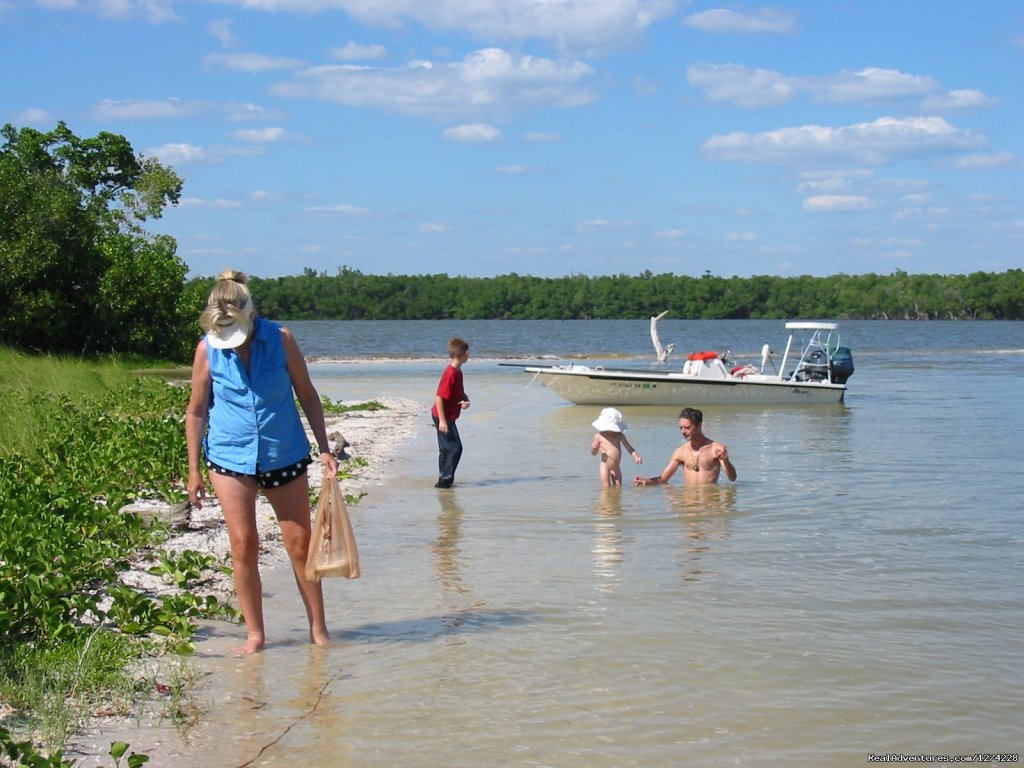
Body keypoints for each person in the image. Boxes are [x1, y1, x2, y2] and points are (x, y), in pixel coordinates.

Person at [185, 269, 339, 656]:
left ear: (251, 316)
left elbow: (307, 394)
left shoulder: (282, 339)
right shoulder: (207, 348)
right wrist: (192, 470)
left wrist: (324, 447)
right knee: (243, 544)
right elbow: (197, 410)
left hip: (283, 452)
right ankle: (255, 635)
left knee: (300, 544)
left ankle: (318, 631)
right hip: (228, 456)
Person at [633, 407, 736, 487]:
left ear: (699, 426)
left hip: (708, 504)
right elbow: (663, 479)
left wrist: (726, 461)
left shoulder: (715, 449)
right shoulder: (681, 452)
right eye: (681, 428)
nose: (683, 431)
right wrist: (647, 481)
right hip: (688, 504)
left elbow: (732, 478)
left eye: (687, 428)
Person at [431, 337, 470, 488]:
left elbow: (458, 392)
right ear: (465, 353)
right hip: (442, 416)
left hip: (447, 416)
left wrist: (465, 399)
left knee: (447, 449)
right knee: (455, 448)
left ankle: (443, 480)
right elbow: (439, 397)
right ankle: (445, 481)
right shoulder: (450, 373)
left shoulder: (458, 371)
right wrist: (442, 421)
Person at [590, 407, 642, 487]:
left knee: (618, 488)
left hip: (616, 467)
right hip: (605, 466)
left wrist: (636, 456)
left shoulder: (619, 435)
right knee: (606, 489)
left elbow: (628, 447)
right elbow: (593, 453)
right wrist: (594, 448)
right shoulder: (599, 436)